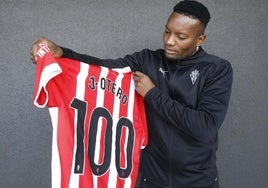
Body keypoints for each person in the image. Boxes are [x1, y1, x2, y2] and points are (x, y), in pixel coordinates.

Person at [31, 1, 233, 187]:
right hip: (152, 179)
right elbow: (105, 68)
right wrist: (63, 53)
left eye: (181, 37)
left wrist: (152, 94)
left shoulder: (217, 69)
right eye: (166, 32)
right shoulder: (147, 59)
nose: (169, 41)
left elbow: (204, 127)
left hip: (198, 182)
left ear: (200, 39)